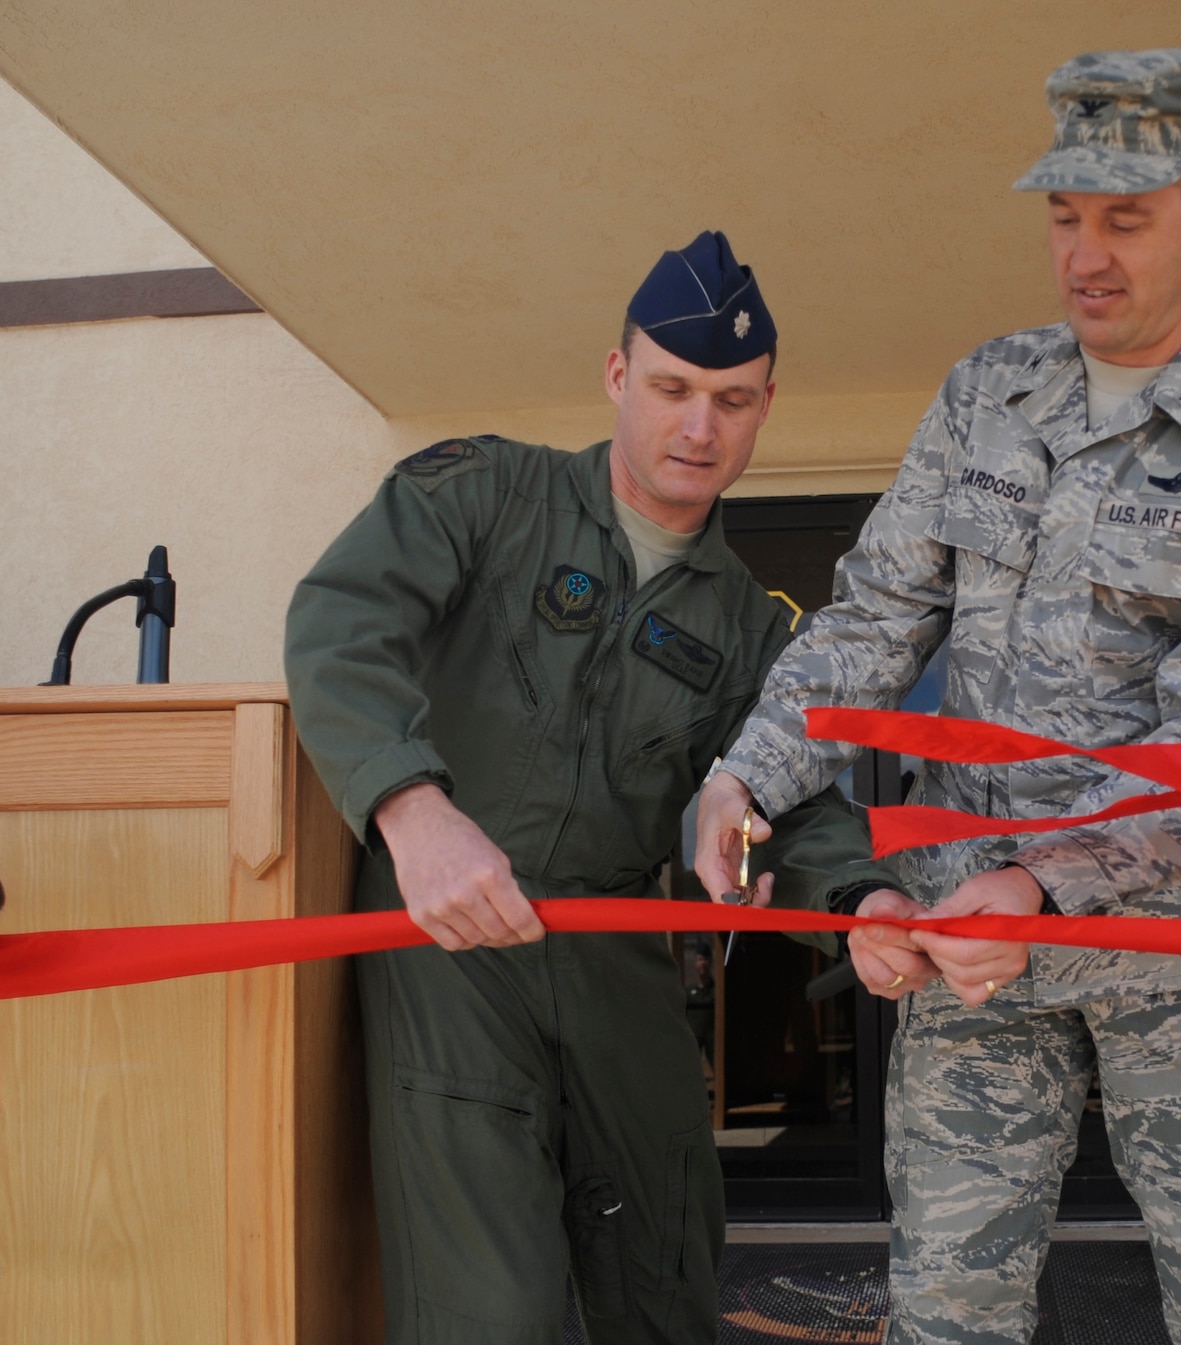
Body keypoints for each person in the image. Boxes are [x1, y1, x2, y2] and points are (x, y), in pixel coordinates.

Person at [695, 49, 1181, 1345]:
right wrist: (746, 773)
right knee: (946, 1314)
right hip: (972, 961)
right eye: (1063, 217)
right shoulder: (986, 392)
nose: (1084, 258)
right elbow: (877, 615)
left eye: (1126, 220)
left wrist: (1039, 886)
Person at [284, 230, 900, 1345]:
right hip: (448, 934)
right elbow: (340, 624)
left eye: (732, 399)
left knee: (665, 1274)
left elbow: (796, 801)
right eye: (671, 388)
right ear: (618, 376)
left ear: (765, 406)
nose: (699, 426)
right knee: (491, 1309)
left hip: (616, 950)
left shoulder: (750, 625)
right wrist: (411, 809)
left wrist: (863, 898)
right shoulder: (485, 494)